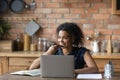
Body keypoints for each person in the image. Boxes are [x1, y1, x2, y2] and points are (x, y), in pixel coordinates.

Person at [29, 22, 98, 74]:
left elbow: (94, 69)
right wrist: (48, 53)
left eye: (65, 38)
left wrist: (71, 72)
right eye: (59, 37)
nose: (60, 40)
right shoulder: (53, 51)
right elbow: (32, 68)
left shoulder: (82, 52)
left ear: (73, 38)